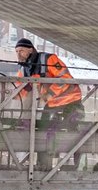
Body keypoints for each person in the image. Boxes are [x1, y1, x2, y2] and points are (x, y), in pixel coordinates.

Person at [14, 38, 84, 166]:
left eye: (21, 51)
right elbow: (20, 88)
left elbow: (65, 78)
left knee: (73, 133)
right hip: (52, 104)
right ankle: (43, 166)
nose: (19, 54)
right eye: (17, 51)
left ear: (30, 50)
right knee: (43, 132)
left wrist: (49, 94)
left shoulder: (48, 59)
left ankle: (73, 166)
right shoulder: (25, 69)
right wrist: (11, 95)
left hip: (71, 101)